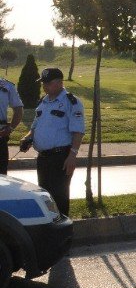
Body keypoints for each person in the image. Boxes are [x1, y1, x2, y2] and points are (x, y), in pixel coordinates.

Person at [18, 67, 84, 216]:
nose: (44, 86)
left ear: (60, 83)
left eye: (48, 83)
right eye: (43, 83)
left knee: (59, 198)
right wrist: (28, 138)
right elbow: (35, 126)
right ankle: (49, 231)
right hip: (43, 158)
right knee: (45, 197)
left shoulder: (71, 102)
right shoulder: (44, 101)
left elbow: (78, 131)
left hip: (61, 157)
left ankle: (63, 233)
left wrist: (72, 155)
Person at [0, 76, 24, 174]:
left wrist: (10, 128)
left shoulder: (7, 86)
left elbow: (18, 109)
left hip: (0, 135)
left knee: (1, 176)